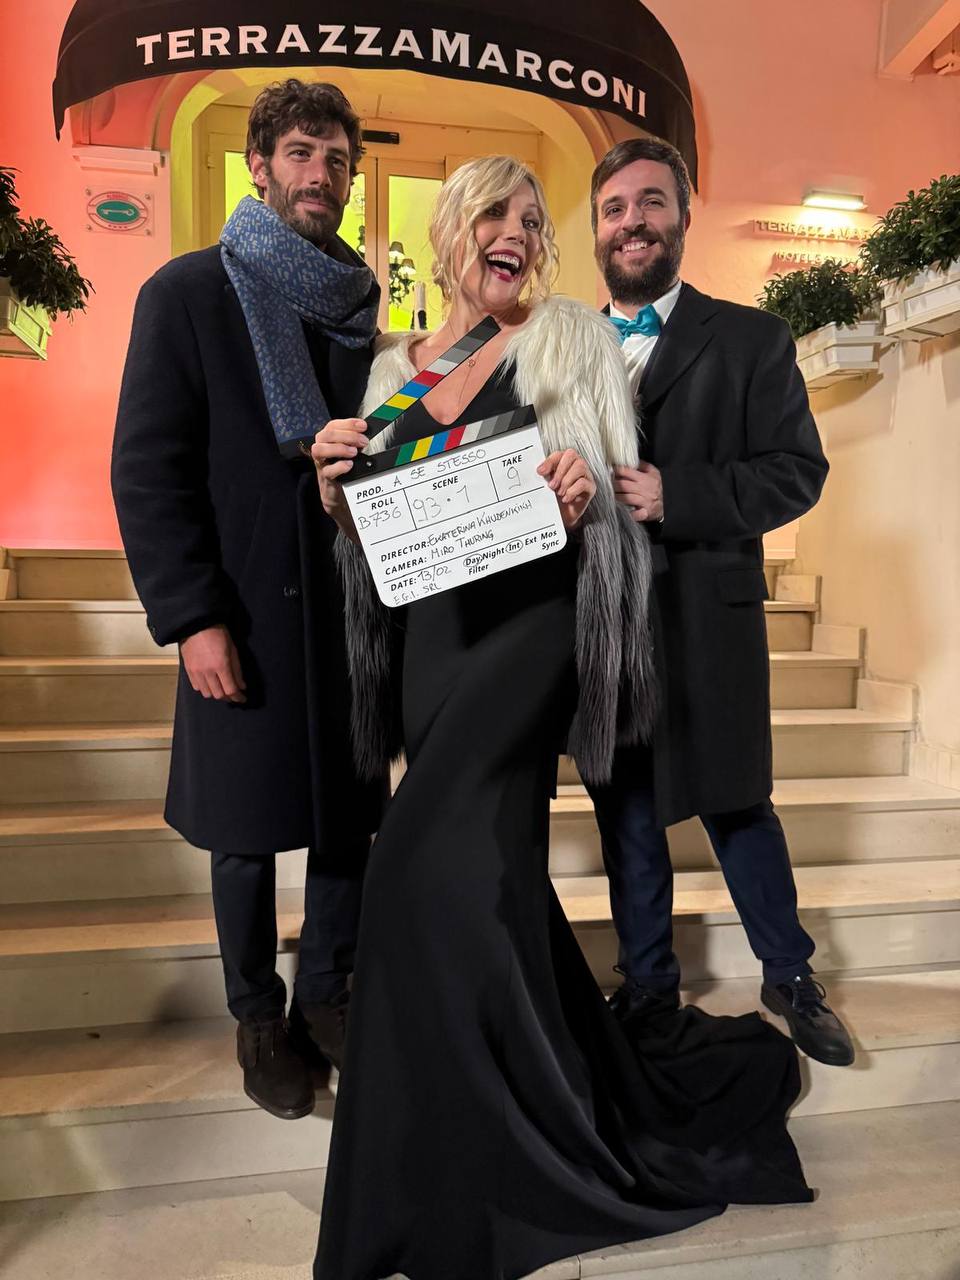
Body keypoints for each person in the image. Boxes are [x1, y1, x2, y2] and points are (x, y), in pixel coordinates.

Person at [309, 155, 811, 1280]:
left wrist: (586, 494)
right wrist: (336, 494)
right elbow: (376, 547)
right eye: (496, 212)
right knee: (486, 878)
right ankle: (491, 1106)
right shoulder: (393, 369)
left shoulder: (571, 337)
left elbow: (615, 507)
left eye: (533, 221)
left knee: (412, 864)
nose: (518, 232)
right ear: (450, 230)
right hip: (433, 643)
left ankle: (481, 1141)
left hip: (531, 632)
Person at [111, 79, 385, 1122]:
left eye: (339, 160)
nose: (323, 174)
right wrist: (192, 616)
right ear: (260, 166)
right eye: (303, 153)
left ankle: (326, 994)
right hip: (243, 606)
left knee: (347, 820)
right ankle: (257, 1014)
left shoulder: (362, 311)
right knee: (244, 829)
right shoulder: (187, 293)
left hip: (349, 606)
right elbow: (149, 470)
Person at [587, 136, 855, 1067]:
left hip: (708, 616)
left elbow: (797, 470)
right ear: (597, 230)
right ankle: (647, 982)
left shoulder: (752, 338)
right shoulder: (562, 346)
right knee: (626, 811)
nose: (633, 222)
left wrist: (680, 495)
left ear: (683, 218)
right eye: (615, 208)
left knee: (739, 803)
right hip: (603, 623)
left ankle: (789, 974)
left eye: (651, 202)